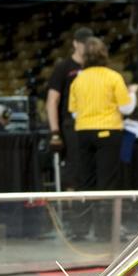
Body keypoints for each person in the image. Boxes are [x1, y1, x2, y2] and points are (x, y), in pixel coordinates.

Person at [68, 36, 138, 239]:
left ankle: (80, 230)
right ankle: (105, 231)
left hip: (83, 132)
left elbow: (73, 112)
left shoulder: (78, 79)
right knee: (107, 182)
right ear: (104, 54)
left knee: (86, 180)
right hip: (108, 132)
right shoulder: (113, 77)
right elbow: (126, 108)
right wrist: (132, 93)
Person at [46, 27, 93, 188]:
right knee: (74, 163)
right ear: (75, 44)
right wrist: (54, 132)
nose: (86, 46)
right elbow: (53, 100)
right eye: (83, 43)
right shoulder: (63, 67)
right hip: (71, 122)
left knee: (91, 164)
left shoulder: (94, 66)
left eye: (89, 43)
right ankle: (71, 204)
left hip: (92, 121)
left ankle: (93, 204)